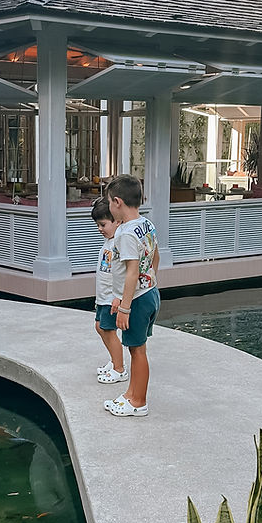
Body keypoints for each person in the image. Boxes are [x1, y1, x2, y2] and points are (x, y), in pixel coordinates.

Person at [104, 174, 160, 418]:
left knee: (137, 352)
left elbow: (131, 271)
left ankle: (138, 401)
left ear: (117, 202)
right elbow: (155, 257)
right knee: (138, 349)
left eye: (108, 202)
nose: (108, 206)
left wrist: (125, 306)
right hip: (149, 293)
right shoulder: (146, 224)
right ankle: (131, 394)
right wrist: (146, 285)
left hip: (136, 300)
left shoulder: (125, 233)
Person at [91, 197, 128, 385]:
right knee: (100, 327)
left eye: (103, 224)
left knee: (108, 329)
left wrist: (118, 297)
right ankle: (114, 361)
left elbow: (123, 273)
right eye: (97, 225)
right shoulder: (109, 241)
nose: (100, 229)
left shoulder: (119, 242)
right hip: (103, 296)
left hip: (112, 298)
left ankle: (119, 369)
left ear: (117, 221)